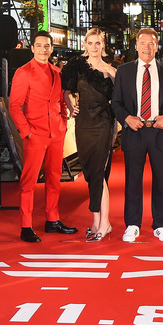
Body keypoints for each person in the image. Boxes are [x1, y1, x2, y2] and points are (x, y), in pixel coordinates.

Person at [111, 28, 163, 242]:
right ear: (136, 46)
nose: (147, 47)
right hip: (135, 131)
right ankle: (132, 224)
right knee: (133, 180)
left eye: (152, 43)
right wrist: (126, 119)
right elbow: (116, 102)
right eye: (143, 43)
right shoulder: (124, 71)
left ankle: (161, 224)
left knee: (162, 181)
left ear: (157, 46)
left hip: (160, 132)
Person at [8, 30, 77, 243]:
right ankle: (26, 225)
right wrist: (26, 131)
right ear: (32, 48)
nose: (43, 49)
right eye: (39, 45)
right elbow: (14, 105)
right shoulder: (23, 72)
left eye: (47, 45)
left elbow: (61, 100)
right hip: (35, 134)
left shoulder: (58, 72)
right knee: (29, 181)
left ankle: (52, 219)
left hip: (56, 133)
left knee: (55, 179)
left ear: (52, 48)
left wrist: (64, 123)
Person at [61, 28, 117, 242]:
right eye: (91, 43)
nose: (94, 47)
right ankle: (95, 221)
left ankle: (105, 223)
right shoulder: (76, 65)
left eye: (98, 43)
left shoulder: (112, 71)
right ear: (85, 44)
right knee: (89, 173)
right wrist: (70, 106)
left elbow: (118, 101)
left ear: (103, 45)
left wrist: (116, 126)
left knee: (99, 172)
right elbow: (67, 91)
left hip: (103, 123)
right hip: (83, 122)